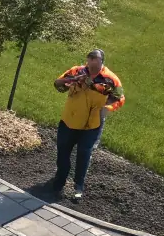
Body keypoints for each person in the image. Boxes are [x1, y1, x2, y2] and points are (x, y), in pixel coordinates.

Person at [51, 48, 124, 201]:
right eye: (89, 60)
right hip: (69, 120)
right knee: (63, 149)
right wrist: (71, 80)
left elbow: (119, 97)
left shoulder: (110, 79)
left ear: (102, 62)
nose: (91, 64)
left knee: (84, 154)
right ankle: (59, 180)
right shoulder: (76, 71)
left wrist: (107, 108)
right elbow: (58, 85)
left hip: (91, 124)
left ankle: (78, 187)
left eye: (95, 61)